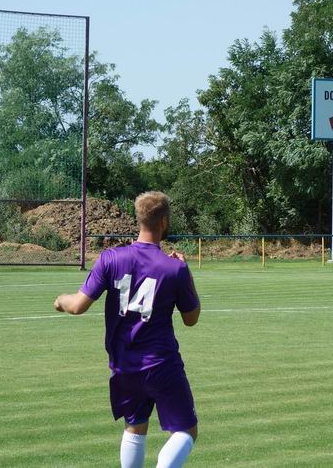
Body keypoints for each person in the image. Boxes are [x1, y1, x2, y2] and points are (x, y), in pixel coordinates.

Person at [54, 191, 201, 468]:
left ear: (138, 219)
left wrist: (60, 300)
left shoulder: (111, 258)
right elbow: (191, 318)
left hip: (124, 365)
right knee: (186, 431)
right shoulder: (173, 268)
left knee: (135, 428)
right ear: (164, 222)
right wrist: (186, 270)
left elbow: (77, 306)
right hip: (161, 364)